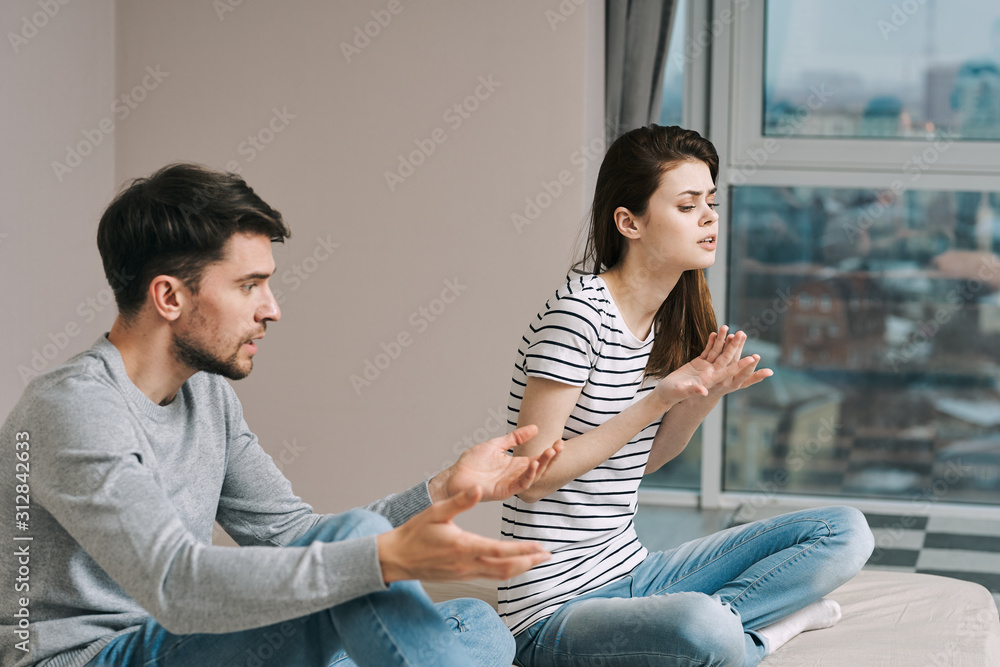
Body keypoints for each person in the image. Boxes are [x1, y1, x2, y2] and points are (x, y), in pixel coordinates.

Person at [0, 163, 563, 667]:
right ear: (169, 297)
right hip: (96, 656)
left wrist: (440, 490)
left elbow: (294, 537)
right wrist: (375, 557)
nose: (272, 309)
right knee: (382, 586)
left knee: (475, 621)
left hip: (188, 641)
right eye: (250, 286)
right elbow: (174, 582)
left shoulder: (208, 398)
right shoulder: (72, 407)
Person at [499, 125, 875, 667]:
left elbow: (640, 461)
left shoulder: (659, 321)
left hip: (631, 572)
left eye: (711, 203)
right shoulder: (577, 316)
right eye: (687, 205)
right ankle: (767, 632)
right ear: (629, 222)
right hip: (550, 612)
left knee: (844, 531)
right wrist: (657, 401)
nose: (709, 218)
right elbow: (530, 477)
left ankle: (724, 628)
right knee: (700, 626)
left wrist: (702, 396)